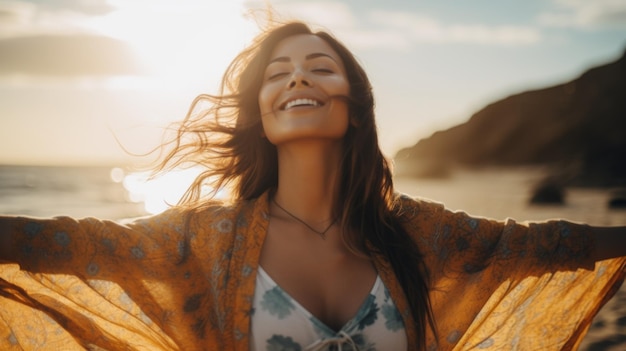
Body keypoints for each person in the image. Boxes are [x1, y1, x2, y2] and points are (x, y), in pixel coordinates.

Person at [0, 21, 625, 351]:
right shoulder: (207, 241)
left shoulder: (418, 233)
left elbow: (544, 246)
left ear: (353, 108)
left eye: (319, 67)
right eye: (278, 73)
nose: (298, 78)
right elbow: (76, 246)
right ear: (262, 112)